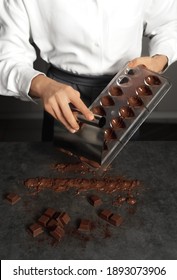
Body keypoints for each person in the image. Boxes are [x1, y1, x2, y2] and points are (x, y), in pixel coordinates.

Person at [0, 0, 177, 139]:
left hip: (127, 91)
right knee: (59, 174)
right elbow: (7, 55)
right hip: (62, 95)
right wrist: (41, 85)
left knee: (127, 171)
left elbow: (169, 23)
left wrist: (160, 59)